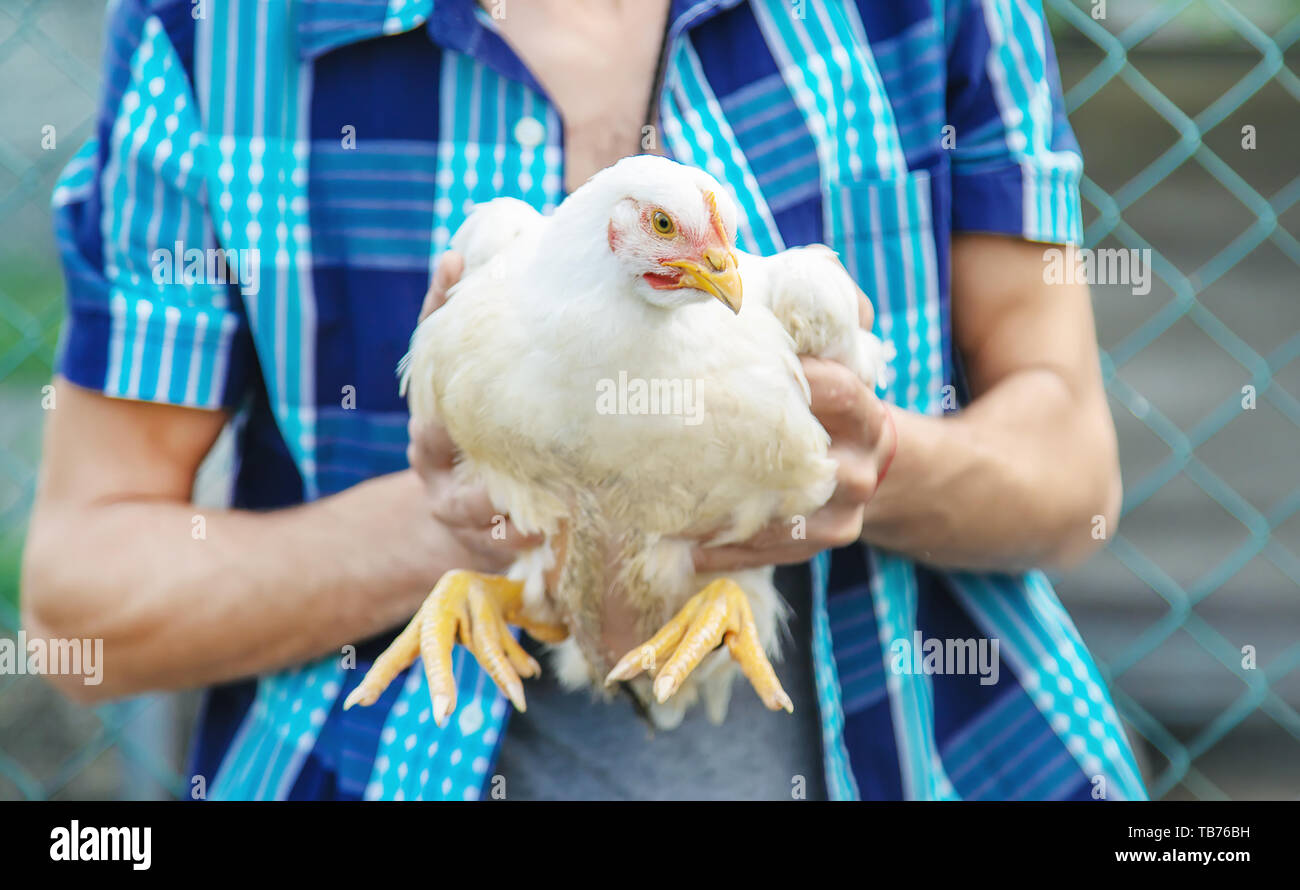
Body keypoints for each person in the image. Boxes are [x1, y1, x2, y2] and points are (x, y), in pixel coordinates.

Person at [23, 0, 1147, 800]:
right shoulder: (213, 32)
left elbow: (1073, 482)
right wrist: (450, 524)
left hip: (927, 749)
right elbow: (81, 612)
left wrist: (871, 461)